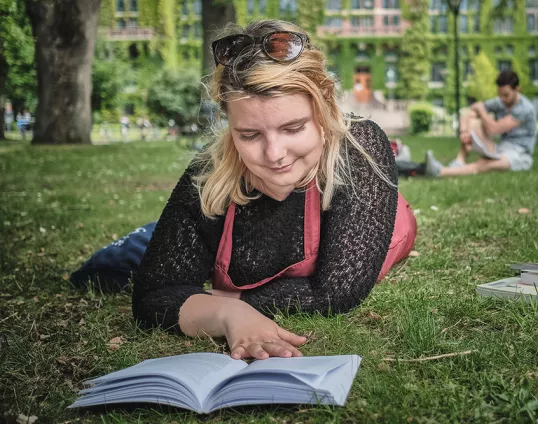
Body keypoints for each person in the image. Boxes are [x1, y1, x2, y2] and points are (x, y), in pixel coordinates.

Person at [131, 20, 417, 361]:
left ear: (324, 108)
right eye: (249, 135)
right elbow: (153, 295)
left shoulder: (360, 145)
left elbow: (337, 291)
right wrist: (228, 315)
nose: (274, 154)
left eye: (293, 128)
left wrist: (232, 299)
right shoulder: (209, 171)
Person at [424, 70, 537, 178]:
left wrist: (481, 111)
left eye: (506, 95)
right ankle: (459, 161)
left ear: (517, 90)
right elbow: (468, 113)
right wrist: (464, 131)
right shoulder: (501, 101)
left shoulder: (525, 109)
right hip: (501, 148)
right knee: (473, 123)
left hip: (520, 155)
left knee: (487, 164)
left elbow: (495, 129)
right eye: (500, 95)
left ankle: (441, 171)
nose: (503, 99)